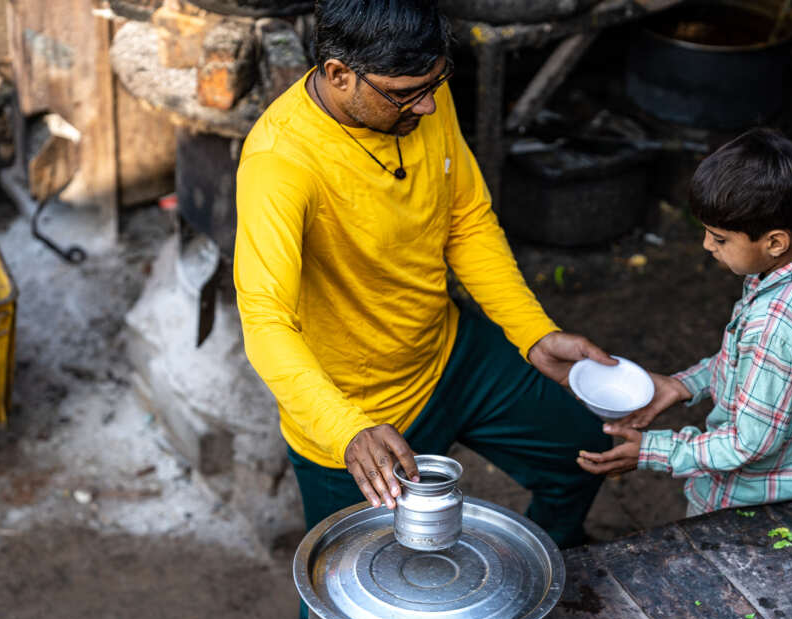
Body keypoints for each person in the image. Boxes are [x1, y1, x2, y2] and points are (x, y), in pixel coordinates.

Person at [233, 0, 613, 558]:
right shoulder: (280, 165)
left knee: (582, 454)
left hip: (452, 349)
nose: (430, 103)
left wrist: (531, 331)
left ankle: (554, 572)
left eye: (437, 83)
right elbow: (266, 321)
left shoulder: (419, 90)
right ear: (339, 74)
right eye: (407, 93)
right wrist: (347, 431)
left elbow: (466, 220)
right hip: (359, 413)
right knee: (348, 592)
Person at [577, 129, 792, 514]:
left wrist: (654, 451)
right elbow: (755, 367)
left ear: (775, 242)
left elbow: (749, 442)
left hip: (752, 498)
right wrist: (682, 384)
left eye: (720, 239)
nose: (707, 246)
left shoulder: (776, 325)